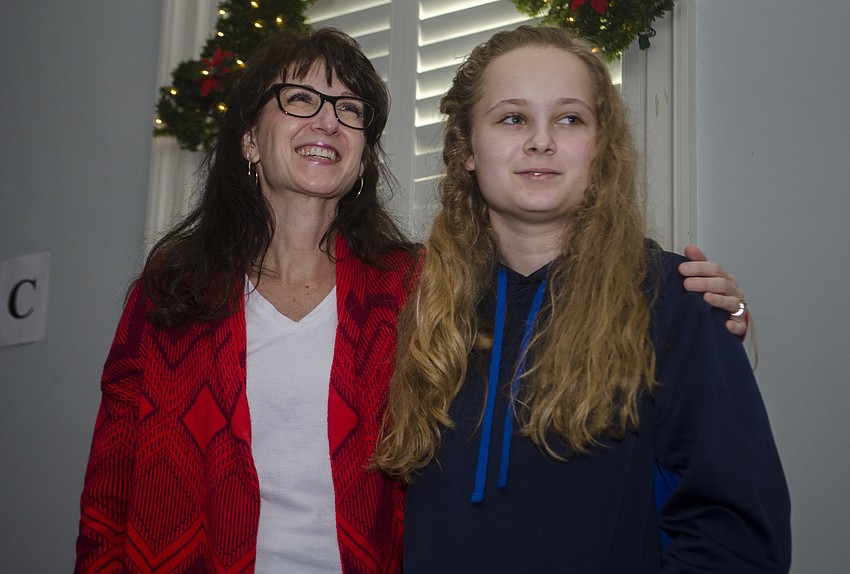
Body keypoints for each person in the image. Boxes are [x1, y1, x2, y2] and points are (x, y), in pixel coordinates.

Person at [75, 26, 753, 574]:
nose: (328, 120)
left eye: (350, 108)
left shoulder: (419, 286)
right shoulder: (174, 289)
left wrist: (708, 315)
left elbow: (555, 307)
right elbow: (111, 485)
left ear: (366, 154)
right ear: (251, 137)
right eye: (300, 99)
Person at [374, 25, 790, 573]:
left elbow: (736, 536)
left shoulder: (676, 301)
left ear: (601, 149)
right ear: (466, 149)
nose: (540, 140)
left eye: (569, 118)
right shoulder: (412, 303)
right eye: (512, 118)